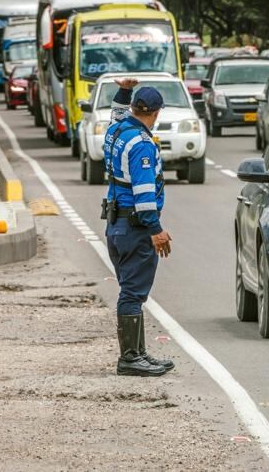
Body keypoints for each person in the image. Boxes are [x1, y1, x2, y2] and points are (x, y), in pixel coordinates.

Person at [102, 78, 174, 377]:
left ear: (134, 108)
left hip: (116, 225)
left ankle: (139, 353)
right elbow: (145, 194)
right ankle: (130, 357)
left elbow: (115, 113)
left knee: (131, 289)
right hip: (134, 227)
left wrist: (123, 90)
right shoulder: (141, 145)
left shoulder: (117, 130)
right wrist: (155, 230)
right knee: (132, 292)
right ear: (156, 113)